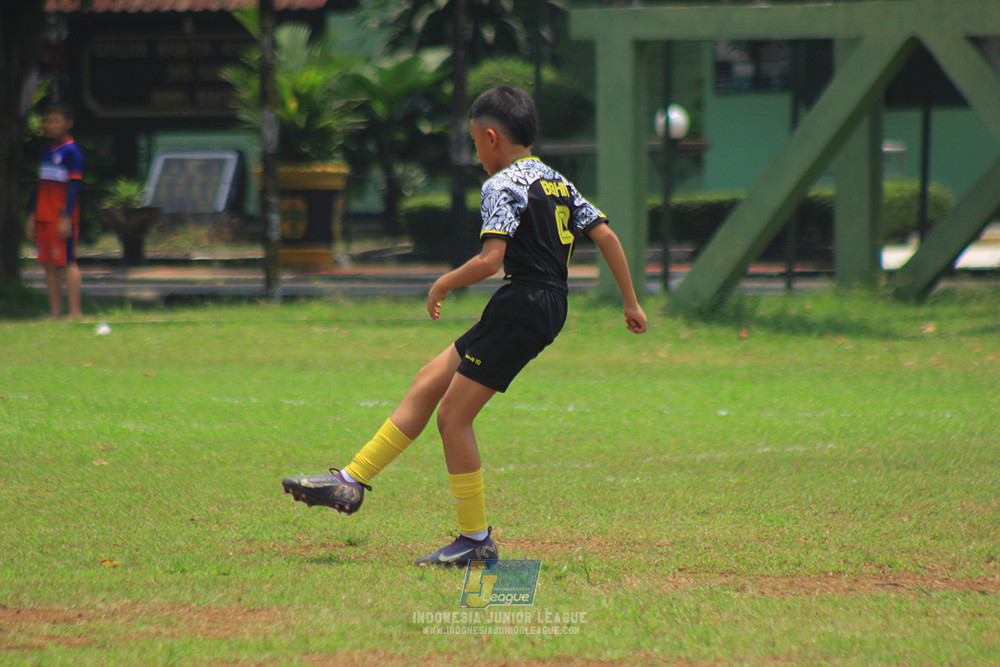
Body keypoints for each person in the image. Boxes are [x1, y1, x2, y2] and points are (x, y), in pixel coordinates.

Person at [282, 86, 647, 566]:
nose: (477, 154)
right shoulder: (557, 181)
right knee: (429, 380)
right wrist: (630, 302)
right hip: (542, 302)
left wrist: (443, 283)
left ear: (491, 138)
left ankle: (475, 540)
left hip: (522, 303)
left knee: (453, 417)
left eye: (476, 143)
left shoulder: (501, 185)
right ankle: (351, 481)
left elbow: (490, 260)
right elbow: (607, 236)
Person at [26, 102, 84, 320]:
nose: (51, 125)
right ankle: (55, 313)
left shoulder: (72, 152)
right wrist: (33, 215)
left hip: (60, 216)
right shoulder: (46, 152)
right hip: (43, 216)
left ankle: (75, 312)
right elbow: (41, 185)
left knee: (67, 262)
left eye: (56, 121)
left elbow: (74, 186)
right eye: (48, 121)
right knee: (49, 265)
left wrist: (67, 217)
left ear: (68, 123)